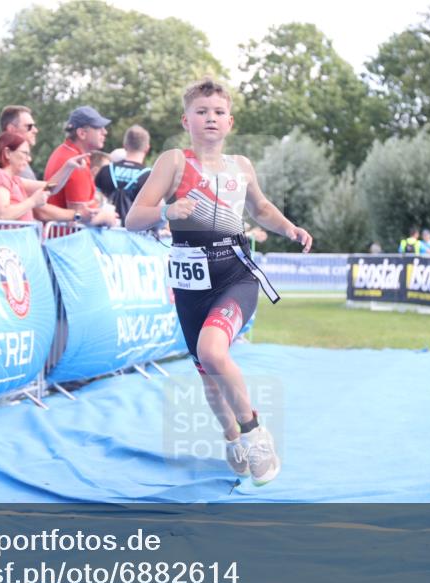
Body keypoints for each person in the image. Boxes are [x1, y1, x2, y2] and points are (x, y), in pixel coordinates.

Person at [126, 78, 313, 486]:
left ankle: (255, 434)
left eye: (217, 112)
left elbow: (260, 207)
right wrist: (168, 212)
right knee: (208, 373)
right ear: (186, 119)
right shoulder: (174, 161)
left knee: (212, 350)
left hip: (235, 273)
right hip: (191, 283)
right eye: (201, 111)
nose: (210, 118)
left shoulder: (240, 166)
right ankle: (232, 438)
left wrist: (289, 228)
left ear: (230, 121)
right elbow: (133, 218)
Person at [0, 131, 85, 221]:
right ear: (7, 153)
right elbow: (2, 215)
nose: (29, 159)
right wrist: (32, 201)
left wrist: (68, 166)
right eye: (25, 153)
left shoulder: (13, 179)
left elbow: (51, 187)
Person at [44, 105, 119, 226]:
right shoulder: (76, 162)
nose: (105, 132)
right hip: (68, 240)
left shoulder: (66, 152)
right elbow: (79, 219)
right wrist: (107, 217)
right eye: (98, 128)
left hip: (60, 238)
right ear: (82, 133)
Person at [96, 125, 153, 225]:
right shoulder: (150, 176)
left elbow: (94, 199)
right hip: (135, 236)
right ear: (147, 148)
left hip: (103, 234)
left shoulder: (106, 170)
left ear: (125, 145)